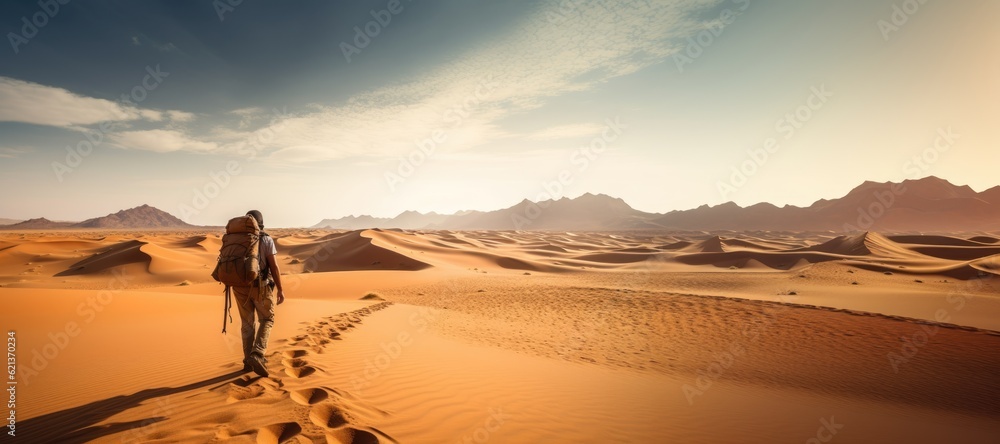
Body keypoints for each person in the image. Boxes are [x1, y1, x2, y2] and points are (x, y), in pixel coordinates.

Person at [234, 210, 285, 377]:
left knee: (247, 324)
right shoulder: (266, 239)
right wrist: (280, 289)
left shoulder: (238, 240)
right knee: (267, 319)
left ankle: (247, 362)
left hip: (239, 287)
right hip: (260, 287)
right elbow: (274, 267)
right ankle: (257, 354)